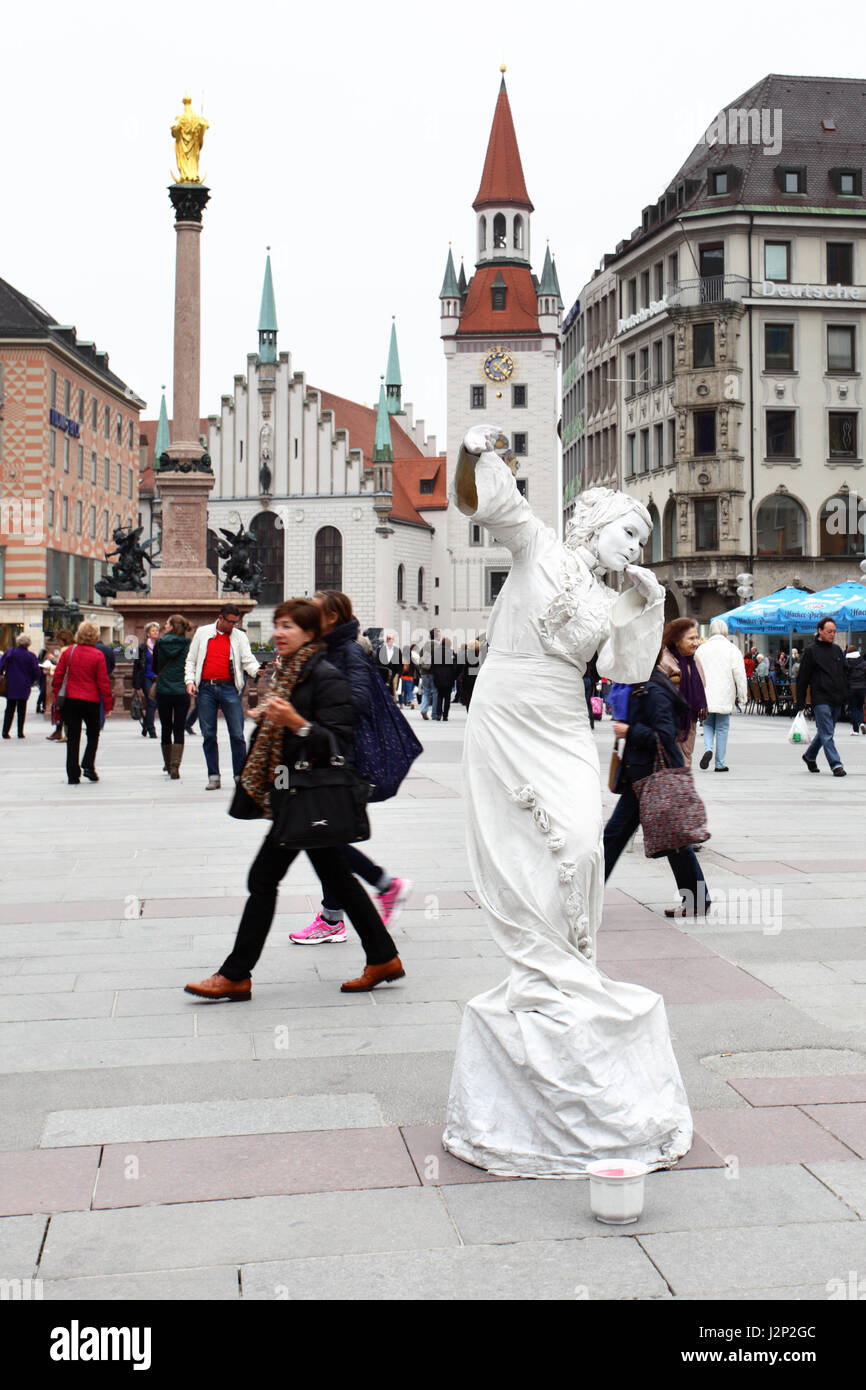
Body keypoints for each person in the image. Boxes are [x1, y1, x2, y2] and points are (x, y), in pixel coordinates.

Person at [441, 425, 691, 1178]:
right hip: (510, 701)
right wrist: (470, 451)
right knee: (524, 844)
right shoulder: (540, 546)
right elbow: (481, 502)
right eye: (629, 532)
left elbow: (621, 668)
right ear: (594, 523)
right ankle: (540, 973)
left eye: (643, 538)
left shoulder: (614, 592)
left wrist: (645, 605)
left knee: (582, 842)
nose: (634, 546)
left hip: (561, 715)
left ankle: (569, 968)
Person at [184, 598, 405, 999]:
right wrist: (271, 719)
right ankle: (382, 956)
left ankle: (236, 974)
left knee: (263, 879)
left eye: (288, 626)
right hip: (293, 792)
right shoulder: (291, 673)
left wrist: (297, 724)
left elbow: (337, 741)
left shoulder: (326, 675)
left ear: (310, 633)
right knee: (339, 877)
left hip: (310, 795)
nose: (279, 633)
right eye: (277, 624)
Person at [289, 589, 413, 944]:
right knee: (324, 837)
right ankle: (335, 916)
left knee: (321, 836)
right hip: (328, 756)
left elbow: (358, 701)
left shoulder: (349, 651)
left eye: (315, 613)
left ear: (331, 618)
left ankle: (382, 887)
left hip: (344, 759)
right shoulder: (328, 648)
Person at [605, 666, 712, 918]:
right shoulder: (638, 687)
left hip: (652, 778)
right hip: (642, 777)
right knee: (671, 839)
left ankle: (586, 896)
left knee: (615, 837)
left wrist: (629, 731)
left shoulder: (652, 690)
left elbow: (665, 735)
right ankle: (697, 899)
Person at [184, 604, 260, 789]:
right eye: (230, 622)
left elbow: (247, 659)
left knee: (237, 734)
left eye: (236, 622)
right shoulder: (203, 633)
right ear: (221, 618)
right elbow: (191, 660)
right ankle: (213, 775)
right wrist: (190, 681)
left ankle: (239, 775)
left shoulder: (239, 636)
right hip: (206, 688)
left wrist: (257, 670)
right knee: (209, 734)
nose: (233, 625)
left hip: (229, 688)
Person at [52, 621, 113, 783]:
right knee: (93, 734)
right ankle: (88, 765)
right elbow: (103, 682)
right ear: (95, 637)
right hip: (91, 701)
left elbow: (58, 676)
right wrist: (107, 705)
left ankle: (72, 774)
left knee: (73, 737)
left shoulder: (69, 652)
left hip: (71, 700)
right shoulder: (98, 655)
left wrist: (57, 694)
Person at [796, 618, 848, 776]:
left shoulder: (837, 650)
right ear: (820, 631)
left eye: (834, 631)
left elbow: (843, 673)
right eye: (829, 631)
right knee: (827, 732)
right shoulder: (811, 651)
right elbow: (803, 677)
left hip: (836, 697)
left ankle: (810, 756)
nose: (832, 634)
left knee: (826, 731)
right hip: (821, 698)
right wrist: (801, 700)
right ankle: (836, 764)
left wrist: (846, 694)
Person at [695, 618, 748, 772]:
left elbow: (696, 673)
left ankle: (707, 748)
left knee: (707, 724)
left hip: (705, 694)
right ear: (725, 632)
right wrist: (743, 696)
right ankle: (720, 763)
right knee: (722, 727)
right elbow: (739, 674)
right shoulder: (733, 649)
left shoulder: (701, 649)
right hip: (725, 694)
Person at [657, 618, 706, 769]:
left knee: (685, 761)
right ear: (677, 641)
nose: (696, 642)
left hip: (689, 720)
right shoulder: (665, 660)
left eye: (696, 637)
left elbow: (702, 685)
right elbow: (658, 691)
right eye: (691, 638)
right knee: (673, 764)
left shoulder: (694, 660)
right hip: (669, 722)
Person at [154, 615, 192, 778]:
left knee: (165, 727)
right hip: (182, 690)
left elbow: (155, 666)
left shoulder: (160, 643)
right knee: (179, 728)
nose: (164, 625)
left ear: (171, 627)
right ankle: (176, 765)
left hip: (163, 690)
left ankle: (168, 764)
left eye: (166, 623)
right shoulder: (188, 645)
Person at [1, 634, 41, 738]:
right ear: (28, 644)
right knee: (22, 709)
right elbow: (36, 672)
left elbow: (1, 665)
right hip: (24, 685)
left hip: (11, 684)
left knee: (9, 708)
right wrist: (31, 680)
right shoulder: (31, 656)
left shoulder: (11, 652)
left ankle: (5, 732)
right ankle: (20, 732)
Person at [133, 623, 160, 739]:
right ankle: (151, 729)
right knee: (151, 702)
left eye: (157, 631)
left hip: (158, 678)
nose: (156, 633)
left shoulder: (160, 646)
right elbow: (136, 667)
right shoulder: (142, 647)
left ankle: (145, 724)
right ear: (148, 633)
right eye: (153, 631)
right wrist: (136, 686)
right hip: (146, 677)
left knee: (155, 704)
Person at [46, 630, 74, 741]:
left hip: (62, 683)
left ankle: (62, 732)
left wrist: (51, 662)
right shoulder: (74, 648)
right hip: (72, 682)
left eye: (59, 641)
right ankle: (63, 732)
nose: (59, 643)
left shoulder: (64, 650)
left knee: (61, 707)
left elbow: (60, 667)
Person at [431, 637, 457, 721]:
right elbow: (454, 666)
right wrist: (453, 676)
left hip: (438, 677)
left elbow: (433, 664)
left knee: (439, 696)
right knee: (447, 697)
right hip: (448, 677)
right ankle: (445, 715)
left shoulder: (436, 652)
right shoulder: (451, 652)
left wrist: (434, 674)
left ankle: (438, 714)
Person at [844, 645, 866, 735]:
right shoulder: (863, 662)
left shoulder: (846, 663)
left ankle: (855, 730)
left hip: (851, 688)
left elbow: (844, 676)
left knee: (853, 709)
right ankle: (861, 723)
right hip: (862, 688)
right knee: (860, 707)